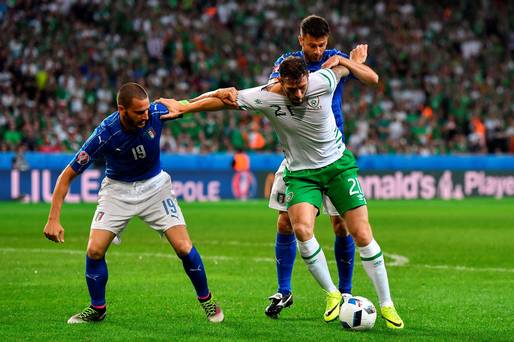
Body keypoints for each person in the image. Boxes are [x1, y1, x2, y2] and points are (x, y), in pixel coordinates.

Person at [157, 56, 404, 329]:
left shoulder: (323, 80)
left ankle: (387, 304)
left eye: (301, 87)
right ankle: (333, 293)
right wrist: (184, 105)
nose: (298, 94)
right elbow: (222, 99)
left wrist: (350, 61)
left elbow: (361, 75)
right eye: (291, 89)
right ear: (280, 82)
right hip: (300, 173)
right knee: (300, 229)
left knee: (362, 234)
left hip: (338, 167)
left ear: (307, 79)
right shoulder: (266, 96)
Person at [42, 83, 224, 324]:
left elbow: (192, 105)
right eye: (139, 112)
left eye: (147, 110)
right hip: (117, 191)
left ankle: (208, 301)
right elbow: (67, 175)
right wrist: (53, 219)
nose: (146, 116)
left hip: (156, 187)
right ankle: (97, 308)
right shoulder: (104, 135)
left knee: (183, 248)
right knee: (94, 250)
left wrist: (222, 94)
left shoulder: (156, 113)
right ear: (122, 109)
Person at [263, 15, 379, 319]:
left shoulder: (332, 58)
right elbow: (273, 88)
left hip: (331, 152)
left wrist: (345, 62)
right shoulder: (287, 63)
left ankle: (345, 291)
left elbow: (371, 78)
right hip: (297, 154)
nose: (317, 51)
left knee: (341, 224)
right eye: (312, 45)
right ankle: (284, 290)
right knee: (285, 222)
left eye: (322, 45)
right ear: (300, 40)